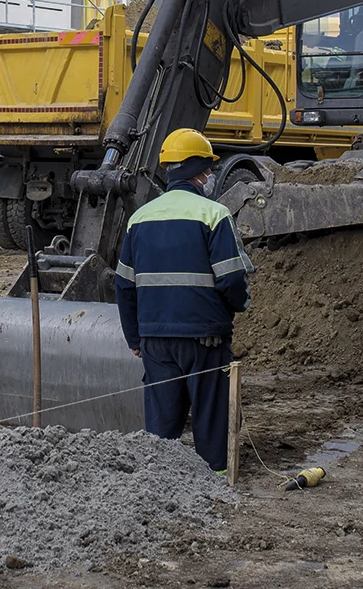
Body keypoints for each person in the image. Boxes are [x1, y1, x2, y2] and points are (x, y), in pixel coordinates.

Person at [114, 128, 253, 474]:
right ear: (200, 171)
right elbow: (233, 278)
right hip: (205, 338)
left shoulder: (139, 219)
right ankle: (215, 482)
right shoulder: (214, 214)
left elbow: (123, 284)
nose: (210, 175)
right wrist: (236, 307)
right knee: (210, 418)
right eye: (208, 169)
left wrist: (135, 339)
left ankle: (161, 485)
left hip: (155, 341)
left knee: (162, 427)